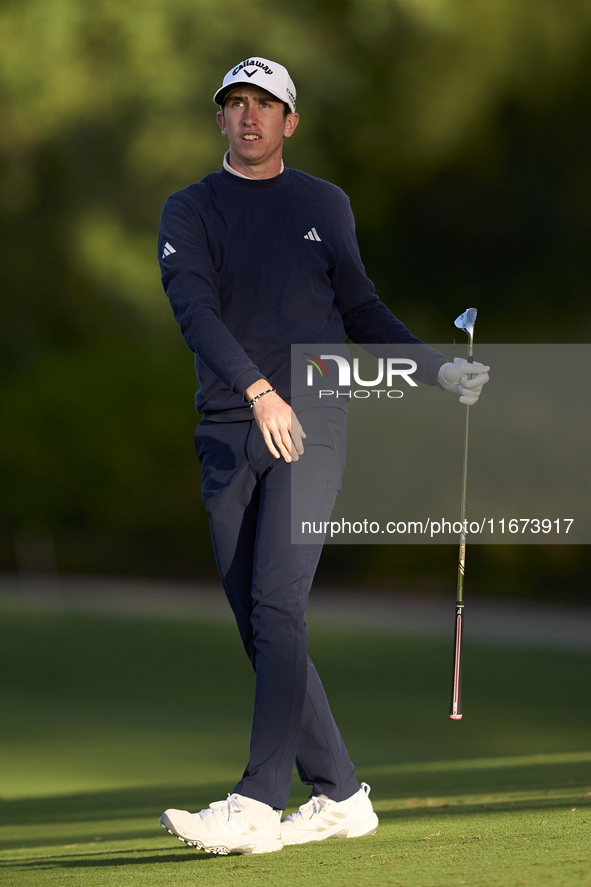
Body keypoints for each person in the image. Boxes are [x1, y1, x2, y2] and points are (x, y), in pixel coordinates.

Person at [157, 57, 489, 856]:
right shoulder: (190, 209)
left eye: (264, 105)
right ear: (220, 119)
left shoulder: (321, 205)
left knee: (278, 607)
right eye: (234, 104)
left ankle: (255, 802)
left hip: (313, 420)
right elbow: (194, 310)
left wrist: (437, 368)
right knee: (260, 625)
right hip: (228, 429)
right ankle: (339, 793)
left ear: (289, 121)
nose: (248, 116)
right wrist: (256, 391)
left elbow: (359, 308)